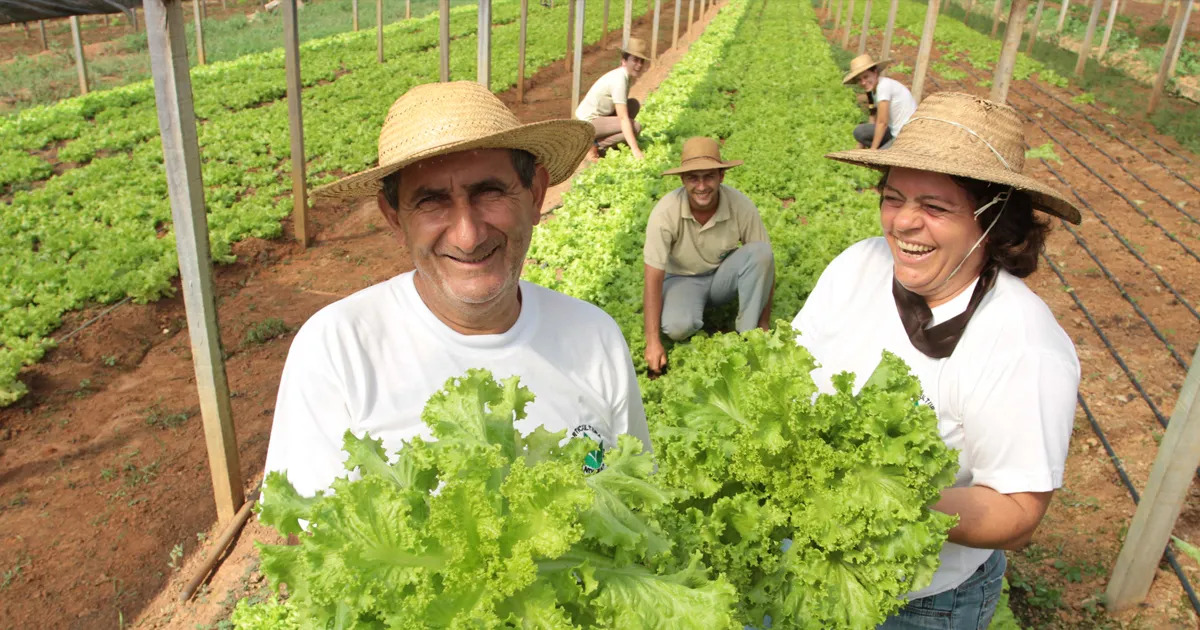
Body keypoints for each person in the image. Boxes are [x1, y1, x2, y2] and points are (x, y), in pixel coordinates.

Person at [264, 81, 653, 498]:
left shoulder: (595, 336)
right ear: (395, 219)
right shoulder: (337, 350)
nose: (467, 237)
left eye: (489, 193)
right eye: (432, 201)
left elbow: (633, 499)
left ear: (536, 195)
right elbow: (307, 548)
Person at [792, 92, 1083, 628]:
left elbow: (1016, 514)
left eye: (935, 207)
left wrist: (880, 493)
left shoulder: (1021, 341)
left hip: (922, 602)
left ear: (994, 221)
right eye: (893, 196)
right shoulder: (857, 267)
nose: (903, 223)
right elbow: (790, 375)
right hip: (807, 558)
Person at [643, 137, 775, 373]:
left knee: (762, 251)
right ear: (682, 179)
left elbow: (765, 263)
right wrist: (653, 342)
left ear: (721, 176)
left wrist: (763, 323)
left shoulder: (740, 205)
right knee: (677, 327)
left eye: (709, 176)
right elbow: (653, 276)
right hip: (683, 280)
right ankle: (691, 310)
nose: (702, 186)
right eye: (693, 177)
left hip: (722, 277)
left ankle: (748, 333)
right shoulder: (665, 212)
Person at [575, 37, 650, 160]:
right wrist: (636, 150)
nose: (639, 65)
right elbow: (623, 118)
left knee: (633, 104)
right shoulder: (619, 80)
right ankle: (593, 145)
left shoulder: (624, 75)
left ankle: (606, 143)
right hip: (586, 123)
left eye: (641, 61)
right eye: (635, 60)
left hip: (598, 118)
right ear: (624, 61)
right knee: (635, 127)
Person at [844, 53, 916, 150]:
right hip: (893, 130)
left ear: (875, 72)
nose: (863, 82)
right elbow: (874, 117)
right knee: (860, 132)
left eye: (866, 77)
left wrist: (873, 151)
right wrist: (860, 146)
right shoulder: (874, 90)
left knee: (879, 161)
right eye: (859, 80)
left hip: (906, 135)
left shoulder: (883, 86)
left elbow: (882, 123)